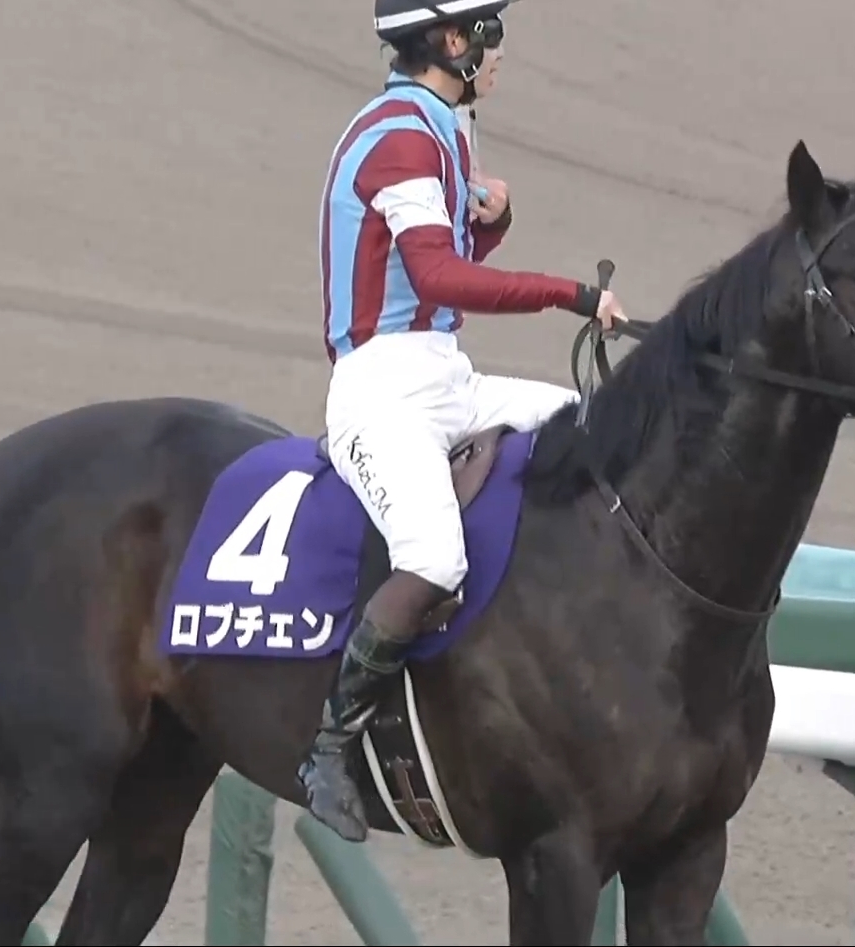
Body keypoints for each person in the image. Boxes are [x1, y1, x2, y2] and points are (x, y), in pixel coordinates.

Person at [300, 0, 628, 841]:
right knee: (433, 557)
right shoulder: (405, 138)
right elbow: (439, 280)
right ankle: (329, 748)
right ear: (453, 41)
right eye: (490, 32)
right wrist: (571, 294)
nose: (499, 50)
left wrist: (493, 223)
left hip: (445, 375)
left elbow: (431, 267)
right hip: (381, 392)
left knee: (590, 426)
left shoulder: (440, 127)